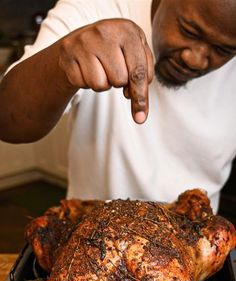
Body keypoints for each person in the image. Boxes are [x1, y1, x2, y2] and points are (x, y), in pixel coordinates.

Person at [0, 0, 236, 213]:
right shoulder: (96, 7)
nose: (194, 59)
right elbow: (8, 122)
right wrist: (62, 63)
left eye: (223, 50)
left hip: (197, 243)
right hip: (91, 238)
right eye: (188, 30)